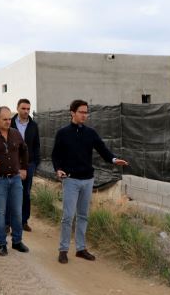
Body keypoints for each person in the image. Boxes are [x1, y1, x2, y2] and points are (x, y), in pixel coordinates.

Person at [51, 99, 128, 264]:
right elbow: (55, 155)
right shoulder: (62, 133)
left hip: (88, 180)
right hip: (70, 180)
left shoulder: (91, 133)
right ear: (72, 112)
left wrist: (114, 160)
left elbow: (103, 149)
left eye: (86, 112)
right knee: (68, 216)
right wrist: (58, 169)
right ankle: (63, 250)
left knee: (83, 216)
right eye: (81, 112)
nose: (84, 115)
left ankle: (80, 249)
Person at [0, 106, 30, 256]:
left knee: (17, 212)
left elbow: (24, 150)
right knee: (0, 213)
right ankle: (2, 244)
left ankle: (17, 241)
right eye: (4, 119)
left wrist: (24, 168)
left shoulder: (16, 134)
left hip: (15, 179)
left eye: (9, 119)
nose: (8, 121)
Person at [6, 98, 40, 233]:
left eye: (28, 109)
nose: (26, 111)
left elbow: (37, 145)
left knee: (26, 193)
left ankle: (24, 221)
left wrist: (35, 163)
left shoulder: (34, 125)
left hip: (29, 164)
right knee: (10, 193)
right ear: (18, 108)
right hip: (12, 163)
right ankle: (7, 223)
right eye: (23, 108)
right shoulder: (10, 123)